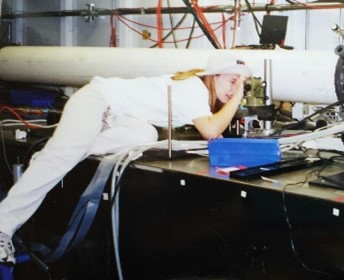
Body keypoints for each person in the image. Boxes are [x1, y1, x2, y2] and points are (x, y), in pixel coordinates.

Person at [0, 54, 252, 264]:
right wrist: (239, 96)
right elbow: (211, 131)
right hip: (97, 100)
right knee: (62, 159)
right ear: (214, 75)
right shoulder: (194, 87)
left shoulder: (199, 94)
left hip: (119, 116)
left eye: (239, 84)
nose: (234, 89)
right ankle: (3, 226)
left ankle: (54, 156)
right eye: (232, 81)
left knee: (145, 133)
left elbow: (209, 127)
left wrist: (234, 91)